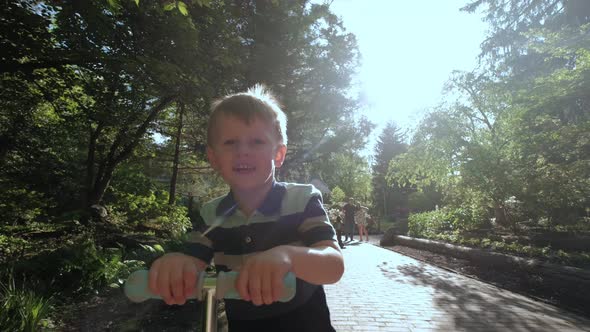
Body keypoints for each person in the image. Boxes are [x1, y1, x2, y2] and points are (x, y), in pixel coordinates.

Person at [148, 84, 343, 332]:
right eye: (230, 143)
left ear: (279, 154)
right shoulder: (211, 214)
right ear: (214, 157)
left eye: (257, 142)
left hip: (307, 323)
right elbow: (192, 261)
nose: (243, 152)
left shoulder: (301, 199)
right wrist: (176, 264)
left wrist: (288, 256)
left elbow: (333, 265)